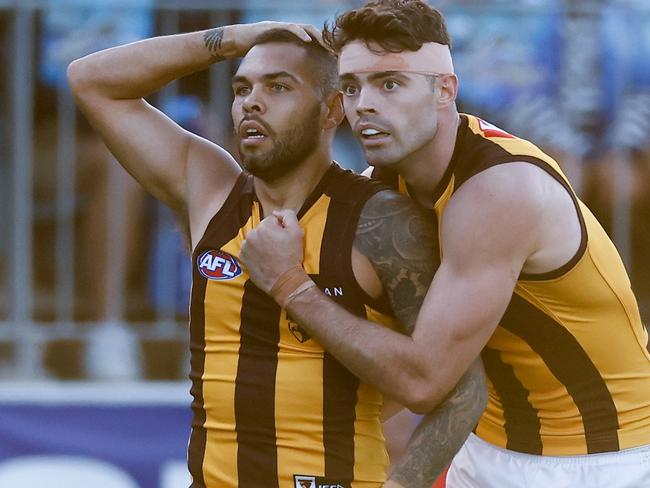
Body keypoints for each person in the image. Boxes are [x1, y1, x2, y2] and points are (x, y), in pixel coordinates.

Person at [238, 1, 650, 487]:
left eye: (390, 83)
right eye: (351, 87)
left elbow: (423, 381)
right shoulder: (385, 182)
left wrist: (291, 284)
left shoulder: (499, 191)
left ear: (445, 90)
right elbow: (380, 360)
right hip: (488, 447)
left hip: (601, 463)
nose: (364, 104)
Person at [67, 20, 485, 488]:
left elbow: (458, 389)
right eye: (242, 88)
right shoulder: (212, 190)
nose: (252, 102)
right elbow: (92, 79)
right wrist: (233, 40)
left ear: (332, 110)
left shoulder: (381, 221)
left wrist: (291, 285)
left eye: (279, 86)